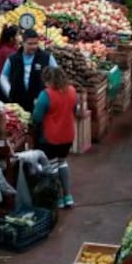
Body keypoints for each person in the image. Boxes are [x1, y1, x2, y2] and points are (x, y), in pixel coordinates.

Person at [32, 66, 78, 209]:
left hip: (51, 137)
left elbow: (37, 118)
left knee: (52, 166)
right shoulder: (72, 91)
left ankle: (57, 198)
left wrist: (36, 106)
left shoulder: (46, 95)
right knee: (62, 162)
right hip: (68, 135)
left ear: (48, 80)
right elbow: (74, 109)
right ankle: (68, 196)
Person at [0, 29, 58, 113]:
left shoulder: (47, 57)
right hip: (18, 104)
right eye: (30, 44)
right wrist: (9, 91)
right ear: (23, 43)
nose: (33, 47)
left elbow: (57, 75)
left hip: (40, 104)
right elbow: (4, 76)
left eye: (35, 43)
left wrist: (49, 93)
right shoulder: (13, 59)